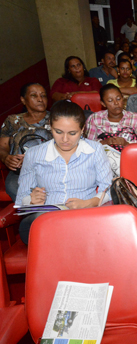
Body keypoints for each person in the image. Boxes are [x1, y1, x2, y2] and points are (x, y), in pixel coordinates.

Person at [15, 101, 112, 245]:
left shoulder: (94, 150)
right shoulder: (34, 154)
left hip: (85, 217)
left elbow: (108, 188)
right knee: (39, 226)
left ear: (82, 129)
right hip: (46, 221)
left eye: (73, 133)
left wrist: (90, 202)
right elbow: (21, 198)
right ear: (50, 126)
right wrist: (31, 200)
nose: (65, 140)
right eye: (58, 132)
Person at [0, 83, 52, 201]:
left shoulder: (56, 118)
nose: (40, 99)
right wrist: (6, 158)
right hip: (20, 172)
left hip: (50, 169)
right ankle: (34, 213)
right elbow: (2, 147)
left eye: (43, 95)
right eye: (34, 96)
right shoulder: (12, 120)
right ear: (23, 100)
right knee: (15, 188)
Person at [85, 84, 137, 151]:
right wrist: (104, 142)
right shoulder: (95, 118)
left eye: (118, 99)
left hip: (130, 158)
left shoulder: (135, 118)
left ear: (123, 98)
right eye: (110, 100)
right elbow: (87, 146)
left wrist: (127, 144)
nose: (116, 103)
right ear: (103, 103)